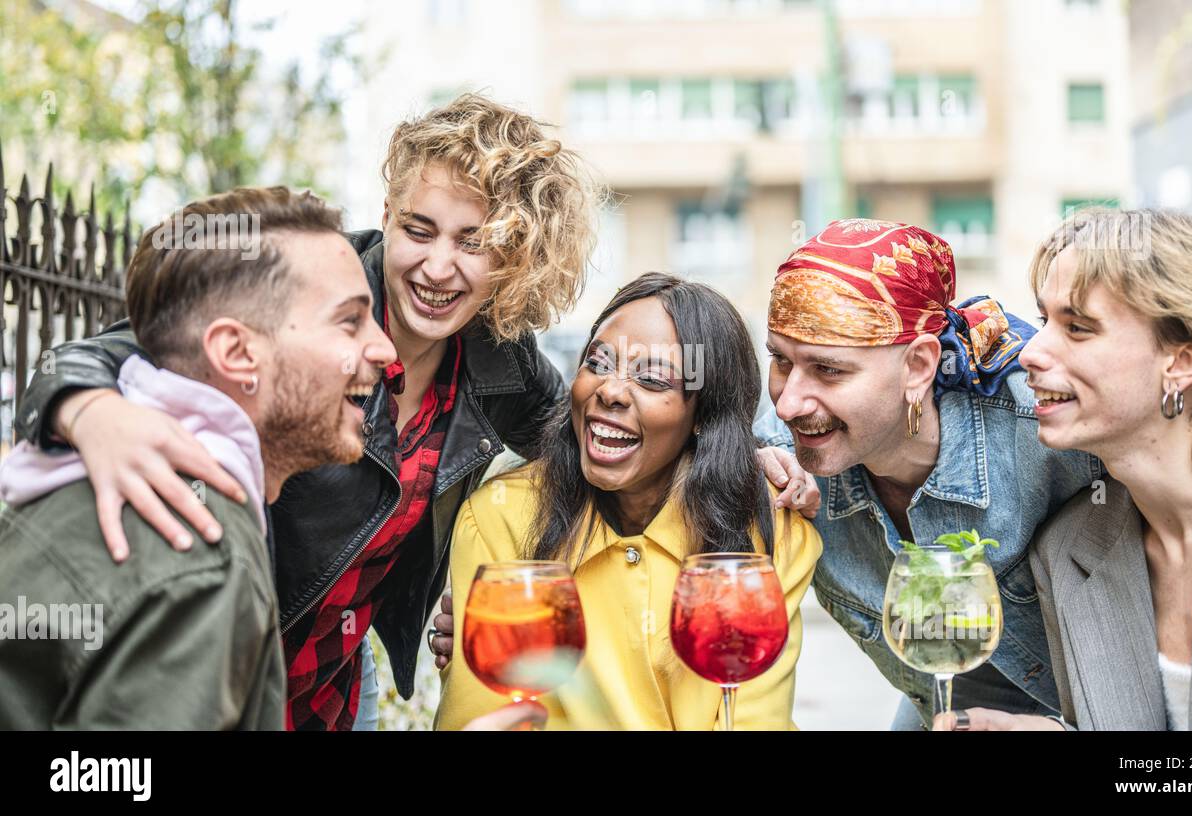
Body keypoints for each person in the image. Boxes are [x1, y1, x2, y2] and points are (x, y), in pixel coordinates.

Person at [11, 93, 603, 730]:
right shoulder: (313, 281)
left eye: (472, 242)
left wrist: (504, 590)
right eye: (418, 230)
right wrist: (93, 411)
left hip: (336, 676)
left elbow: (583, 464)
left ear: (511, 255)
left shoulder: (500, 361)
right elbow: (92, 356)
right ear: (387, 215)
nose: (437, 266)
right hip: (233, 651)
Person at [0, 187, 395, 729]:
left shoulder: (74, 476)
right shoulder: (198, 552)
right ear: (235, 353)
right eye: (350, 321)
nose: (384, 350)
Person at [935, 208, 1192, 731]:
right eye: (1044, 322)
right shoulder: (1065, 551)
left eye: (1078, 327)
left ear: (1182, 361)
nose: (1030, 352)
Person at [753, 218, 1103, 729]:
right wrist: (742, 489)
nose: (788, 402)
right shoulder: (782, 457)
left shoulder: (1049, 430)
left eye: (829, 369)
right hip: (945, 712)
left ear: (918, 366)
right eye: (780, 362)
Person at [434, 273, 821, 730]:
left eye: (653, 378)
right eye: (597, 363)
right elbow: (482, 720)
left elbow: (755, 723)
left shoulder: (767, 532)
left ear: (704, 415)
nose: (611, 391)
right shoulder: (502, 516)